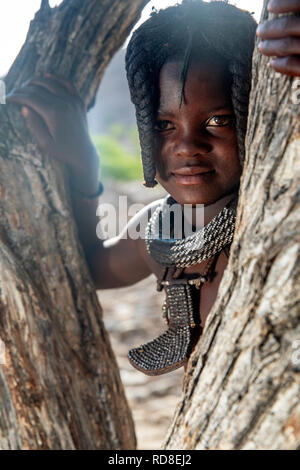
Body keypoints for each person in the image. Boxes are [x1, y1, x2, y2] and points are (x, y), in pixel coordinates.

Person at [6, 0, 300, 375]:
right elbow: (87, 267)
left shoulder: (282, 216)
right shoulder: (158, 230)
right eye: (163, 125)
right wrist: (84, 167)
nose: (187, 145)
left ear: (255, 111)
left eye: (218, 119)